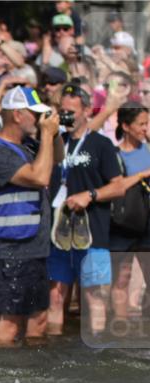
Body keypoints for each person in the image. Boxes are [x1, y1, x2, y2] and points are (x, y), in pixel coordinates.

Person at [0, 86, 61, 346]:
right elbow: (40, 177)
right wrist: (46, 134)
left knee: (38, 325)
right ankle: (2, 382)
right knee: (6, 331)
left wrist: (54, 134)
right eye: (34, 114)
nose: (38, 120)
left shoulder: (27, 146)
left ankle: (35, 379)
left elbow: (56, 159)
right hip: (7, 252)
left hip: (34, 249)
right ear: (17, 115)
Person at [47, 83, 128, 337]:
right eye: (63, 112)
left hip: (93, 234)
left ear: (86, 111)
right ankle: (52, 356)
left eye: (71, 111)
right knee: (56, 297)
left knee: (94, 299)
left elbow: (119, 187)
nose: (67, 117)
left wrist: (91, 195)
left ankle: (96, 355)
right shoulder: (55, 142)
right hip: (59, 236)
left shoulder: (101, 144)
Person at [109, 103, 150, 324]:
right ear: (126, 126)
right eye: (141, 124)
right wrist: (144, 174)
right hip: (124, 222)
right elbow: (116, 186)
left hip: (148, 222)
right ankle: (121, 326)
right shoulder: (114, 155)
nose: (145, 128)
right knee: (122, 277)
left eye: (148, 123)